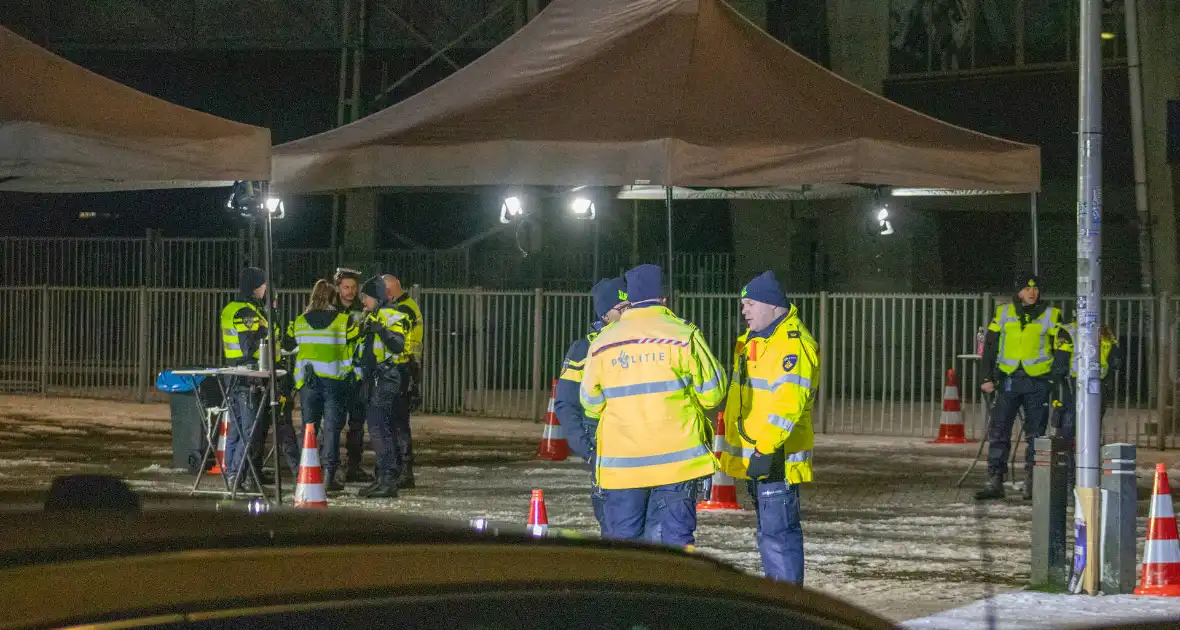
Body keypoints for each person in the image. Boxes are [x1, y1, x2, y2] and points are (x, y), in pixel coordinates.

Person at [579, 264, 726, 546]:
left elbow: (590, 403)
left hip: (622, 468)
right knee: (673, 549)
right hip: (677, 465)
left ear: (630, 299)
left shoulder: (602, 343)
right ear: (664, 298)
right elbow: (712, 393)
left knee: (625, 549)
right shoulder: (685, 336)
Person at [719, 271, 816, 584]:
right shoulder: (754, 343)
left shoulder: (790, 346)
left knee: (778, 538)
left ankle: (787, 611)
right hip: (760, 457)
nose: (744, 310)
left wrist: (765, 447)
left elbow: (787, 404)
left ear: (773, 306)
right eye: (742, 304)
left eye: (749, 304)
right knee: (770, 536)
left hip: (775, 458)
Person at [976, 274, 1063, 501]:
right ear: (1018, 292)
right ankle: (995, 480)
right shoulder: (1004, 313)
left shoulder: (1052, 314)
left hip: (1037, 382)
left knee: (1036, 434)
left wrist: (1054, 378)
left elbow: (1063, 348)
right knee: (999, 431)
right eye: (1026, 289)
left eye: (1035, 289)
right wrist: (986, 377)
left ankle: (1032, 483)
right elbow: (991, 346)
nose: (1032, 293)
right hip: (1009, 380)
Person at [555, 276, 628, 531]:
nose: (628, 313)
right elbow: (565, 403)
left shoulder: (640, 343)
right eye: (621, 308)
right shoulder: (583, 349)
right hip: (603, 454)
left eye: (632, 306)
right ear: (605, 314)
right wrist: (587, 449)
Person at [290, 279, 358, 492]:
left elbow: (287, 344)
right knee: (331, 429)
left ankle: (306, 473)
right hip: (334, 381)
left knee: (308, 429)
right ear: (332, 298)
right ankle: (329, 476)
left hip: (308, 382)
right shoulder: (342, 321)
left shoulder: (299, 321)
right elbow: (355, 345)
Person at [355, 275, 411, 498]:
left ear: (376, 297)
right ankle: (382, 478)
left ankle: (388, 480)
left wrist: (381, 330)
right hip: (374, 379)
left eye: (366, 297)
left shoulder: (392, 315)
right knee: (378, 430)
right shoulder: (373, 315)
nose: (363, 302)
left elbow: (397, 345)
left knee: (380, 430)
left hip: (385, 377)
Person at [1051, 322, 1124, 488]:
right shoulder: (1100, 330)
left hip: (1082, 388)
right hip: (1086, 388)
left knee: (1072, 436)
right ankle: (1080, 480)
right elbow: (1116, 361)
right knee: (1081, 436)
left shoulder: (1072, 331)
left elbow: (1060, 366)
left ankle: (1075, 481)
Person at [219, 266, 269, 492]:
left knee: (237, 429)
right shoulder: (247, 311)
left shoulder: (232, 307)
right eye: (264, 285)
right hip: (247, 376)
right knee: (249, 430)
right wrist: (263, 331)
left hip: (234, 373)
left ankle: (231, 474)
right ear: (256, 286)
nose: (266, 289)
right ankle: (235, 474)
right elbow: (248, 347)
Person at [383, 274, 424, 488]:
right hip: (407, 367)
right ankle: (401, 469)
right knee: (397, 421)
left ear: (389, 293)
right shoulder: (407, 306)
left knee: (398, 422)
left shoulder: (402, 310)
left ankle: (404, 470)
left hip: (402, 367)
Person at [334, 268, 373, 484]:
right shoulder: (331, 311)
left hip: (357, 376)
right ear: (338, 287)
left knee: (357, 424)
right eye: (346, 287)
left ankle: (353, 466)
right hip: (337, 375)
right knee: (334, 424)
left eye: (353, 288)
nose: (350, 291)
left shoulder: (362, 310)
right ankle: (332, 466)